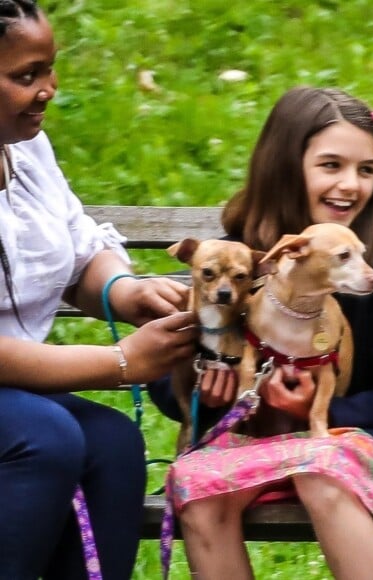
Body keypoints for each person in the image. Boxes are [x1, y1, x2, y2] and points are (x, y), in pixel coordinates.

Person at [152, 86, 373, 579]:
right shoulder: (236, 260)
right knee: (197, 486)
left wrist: (318, 406)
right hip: (255, 439)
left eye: (366, 169)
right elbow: (176, 374)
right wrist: (210, 391)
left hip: (353, 435)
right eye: (331, 165)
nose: (351, 185)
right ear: (286, 166)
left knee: (320, 466)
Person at [0, 2, 196, 579]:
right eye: (26, 75)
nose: (49, 90)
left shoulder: (26, 149)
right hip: (17, 397)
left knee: (112, 445)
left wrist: (126, 293)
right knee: (48, 438)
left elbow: (79, 249)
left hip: (16, 395)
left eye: (50, 70)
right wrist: (119, 361)